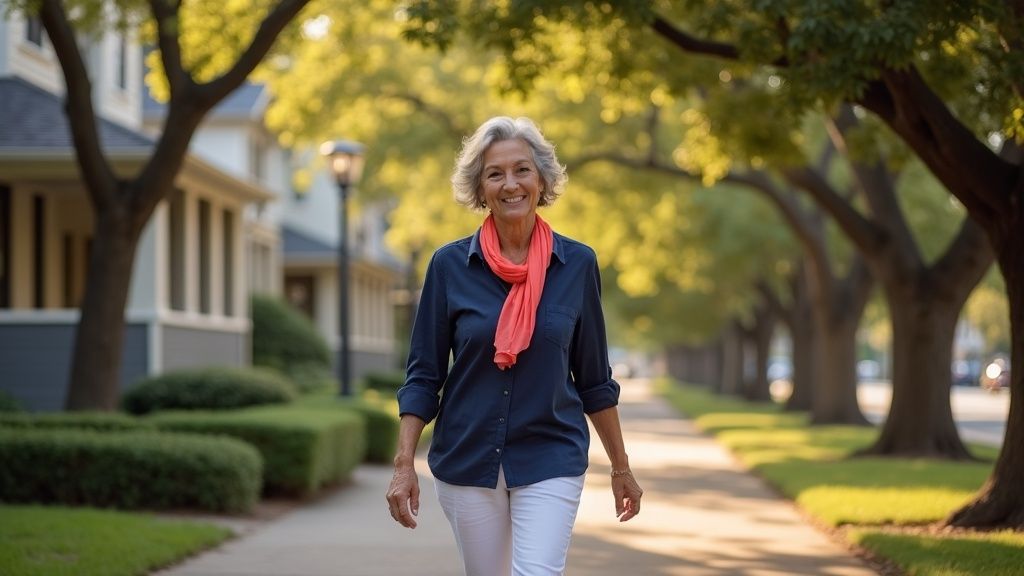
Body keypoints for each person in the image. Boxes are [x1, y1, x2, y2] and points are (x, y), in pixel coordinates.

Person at [385, 116, 642, 576]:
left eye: (522, 170)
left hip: (551, 453)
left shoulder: (577, 264)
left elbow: (595, 380)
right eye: (495, 173)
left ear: (541, 179)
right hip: (467, 457)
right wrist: (405, 464)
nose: (511, 184)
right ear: (479, 188)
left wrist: (621, 468)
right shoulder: (449, 266)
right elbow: (424, 376)